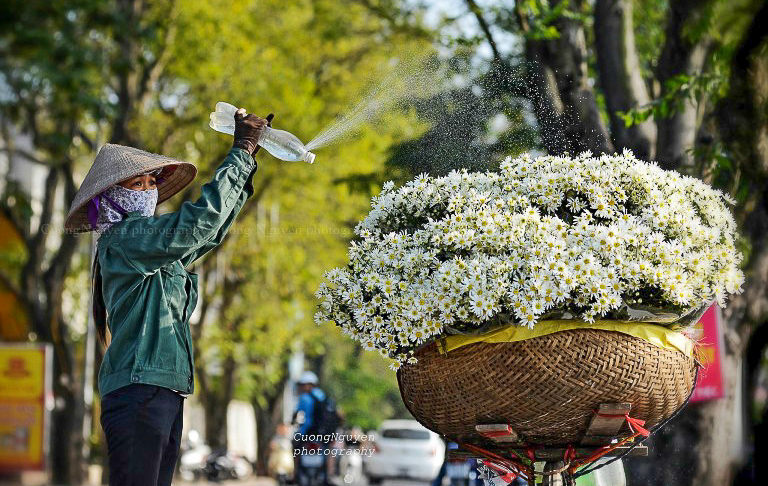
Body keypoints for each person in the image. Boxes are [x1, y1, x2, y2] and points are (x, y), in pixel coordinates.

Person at [65, 109, 271, 486]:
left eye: (150, 183)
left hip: (162, 392)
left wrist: (246, 164)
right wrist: (240, 151)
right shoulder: (125, 239)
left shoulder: (149, 248)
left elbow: (211, 231)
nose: (147, 190)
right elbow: (198, 224)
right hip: (139, 393)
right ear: (110, 196)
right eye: (136, 184)